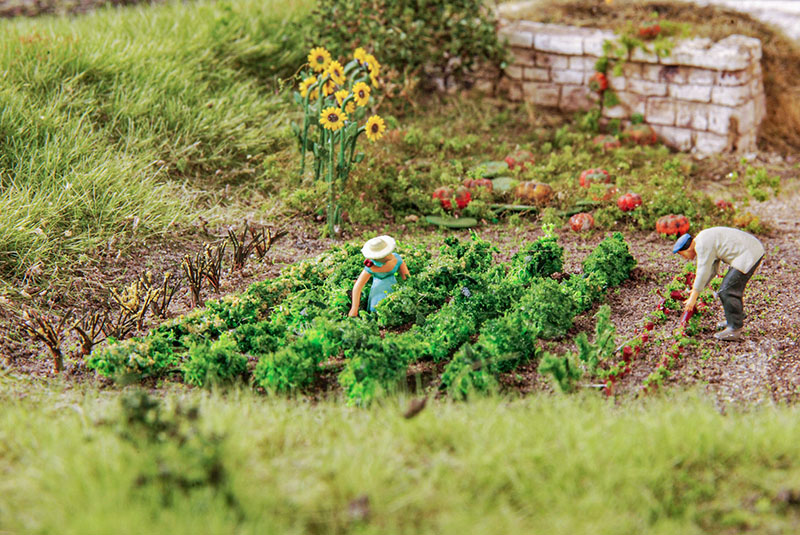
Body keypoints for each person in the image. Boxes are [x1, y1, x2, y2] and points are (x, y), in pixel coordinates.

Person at [673, 226, 764, 341]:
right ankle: (734, 318)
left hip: (748, 254)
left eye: (682, 255)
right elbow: (712, 271)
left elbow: (703, 271)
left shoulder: (702, 246)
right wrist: (694, 291)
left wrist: (693, 297)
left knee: (728, 291)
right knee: (731, 288)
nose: (685, 258)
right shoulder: (703, 239)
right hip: (750, 249)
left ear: (686, 249)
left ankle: (734, 329)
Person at [348, 235, 410, 317]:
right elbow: (358, 286)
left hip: (394, 288)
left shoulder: (397, 259)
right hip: (378, 290)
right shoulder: (371, 267)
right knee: (376, 308)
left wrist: (406, 293)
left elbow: (406, 278)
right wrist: (354, 308)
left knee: (395, 307)